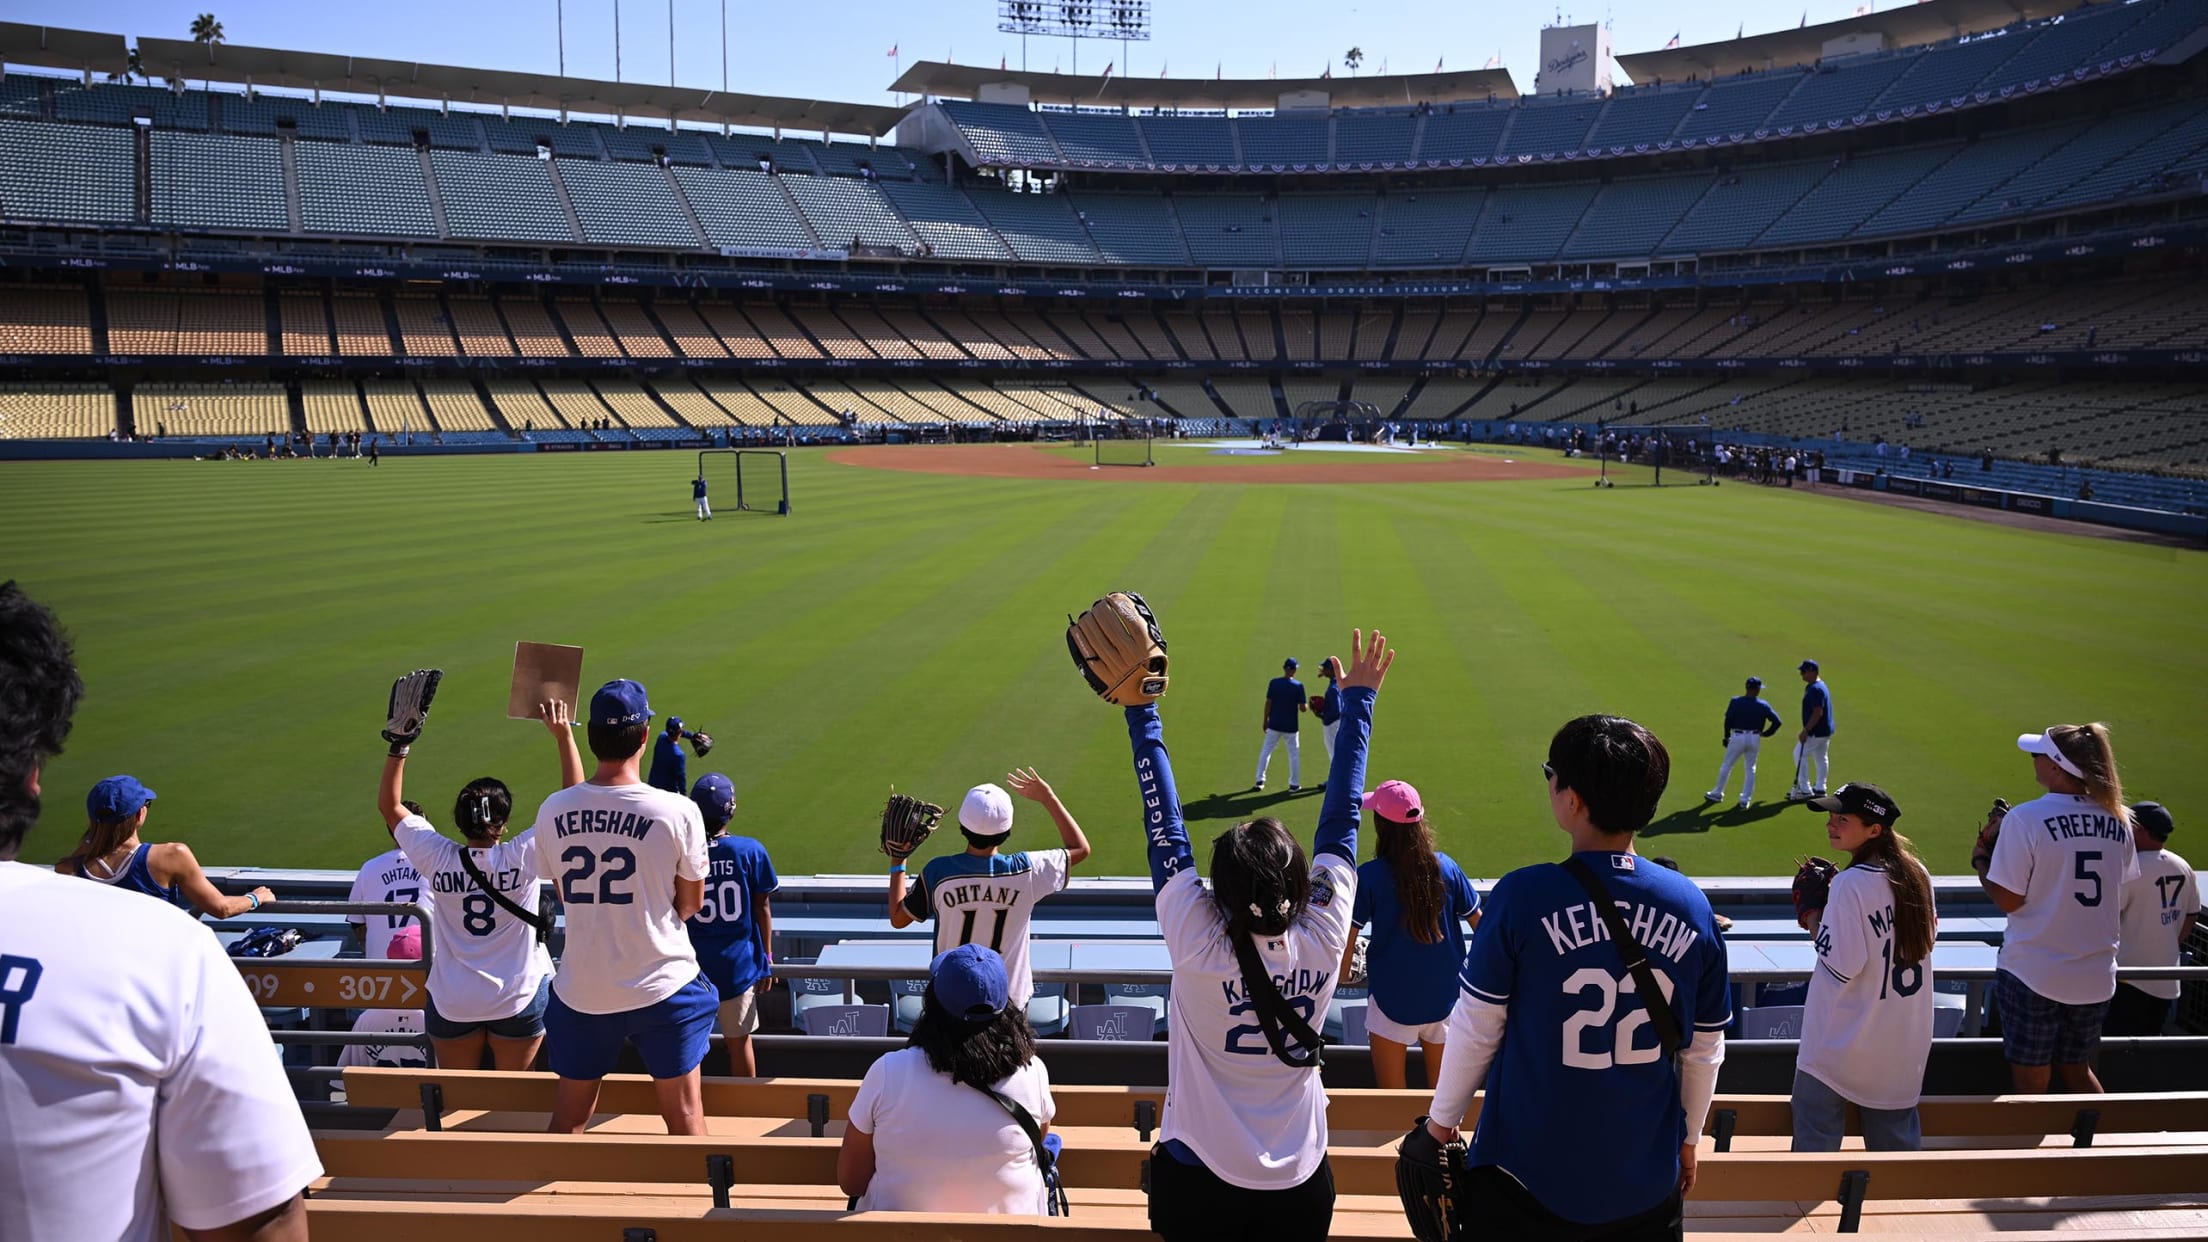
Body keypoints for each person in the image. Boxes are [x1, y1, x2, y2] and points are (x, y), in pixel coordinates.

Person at [0, 580, 321, 1242]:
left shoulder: (69, 868)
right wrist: (261, 896)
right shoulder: (168, 895)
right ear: (31, 776)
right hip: (178, 1031)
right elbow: (263, 1215)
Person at [1123, 626, 1392, 1241]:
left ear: (1219, 887)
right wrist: (1359, 704)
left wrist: (1143, 714)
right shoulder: (1325, 932)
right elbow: (1344, 816)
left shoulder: (1197, 938)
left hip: (1196, 1180)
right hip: (1298, 1187)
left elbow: (1164, 824)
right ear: (1300, 882)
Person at [1419, 714, 1730, 1240]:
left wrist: (1440, 1124)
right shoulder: (1693, 908)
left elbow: (1476, 1027)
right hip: (1645, 1180)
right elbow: (1704, 1049)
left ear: (1574, 799)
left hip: (1524, 1176)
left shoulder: (1521, 897)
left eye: (1552, 773)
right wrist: (1690, 1138)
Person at [530, 678, 715, 1136]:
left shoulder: (553, 809)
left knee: (570, 1118)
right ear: (645, 735)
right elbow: (691, 905)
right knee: (685, 1116)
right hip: (663, 985)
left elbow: (560, 884)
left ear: (591, 736)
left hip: (583, 990)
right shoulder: (677, 810)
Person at [377, 688, 577, 1072]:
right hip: (516, 998)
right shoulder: (522, 855)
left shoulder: (437, 856)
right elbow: (573, 799)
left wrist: (400, 744)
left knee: (460, 1097)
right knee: (513, 1101)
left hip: (453, 1001)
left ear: (458, 819)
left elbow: (390, 805)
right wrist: (564, 735)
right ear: (502, 822)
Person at [837, 944, 1057, 1214]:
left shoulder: (887, 1072)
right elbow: (1039, 1140)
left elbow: (851, 1181)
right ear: (1006, 1007)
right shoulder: (1033, 1072)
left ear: (932, 1004)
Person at [1978, 724, 2139, 1093]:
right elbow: (2121, 889)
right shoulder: (2121, 819)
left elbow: (2009, 900)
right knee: (2077, 1069)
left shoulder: (2026, 818)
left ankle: (2037, 1152)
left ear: (2055, 765)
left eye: (2038, 755)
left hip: (2035, 971)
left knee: (2032, 1078)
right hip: (2095, 974)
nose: (2033, 761)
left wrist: (1981, 860)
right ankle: (2098, 1147)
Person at [1793, 784, 1936, 1152]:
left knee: (1813, 1160)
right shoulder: (1918, 875)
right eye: (1831, 817)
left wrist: (1814, 915)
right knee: (1897, 1170)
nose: (1830, 824)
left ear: (1874, 829)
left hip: (1839, 1046)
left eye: (1842, 819)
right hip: (1902, 1048)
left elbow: (1842, 964)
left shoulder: (1850, 884)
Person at [889, 770, 1090, 1008]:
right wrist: (1048, 798)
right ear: (1007, 831)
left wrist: (898, 860)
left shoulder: (938, 872)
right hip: (1008, 1003)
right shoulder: (1027, 871)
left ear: (963, 826)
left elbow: (898, 918)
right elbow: (1080, 848)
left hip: (950, 999)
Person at [1343, 779, 1480, 1090]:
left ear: (1380, 825)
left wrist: (1341, 975)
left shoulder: (1368, 876)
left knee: (1392, 1101)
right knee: (1445, 1103)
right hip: (1446, 999)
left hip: (1391, 1001)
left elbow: (1346, 943)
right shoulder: (1447, 867)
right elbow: (1482, 927)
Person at [55, 776, 276, 917]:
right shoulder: (171, 856)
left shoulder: (67, 870)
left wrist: (90, 839)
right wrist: (256, 897)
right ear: (140, 814)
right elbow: (221, 908)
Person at [683, 772, 779, 1075]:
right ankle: (746, 1111)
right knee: (739, 1045)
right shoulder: (750, 851)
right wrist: (767, 957)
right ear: (731, 809)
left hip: (690, 968)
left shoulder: (680, 852)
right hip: (738, 966)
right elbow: (762, 906)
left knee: (686, 1049)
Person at [2109, 801, 2198, 1036]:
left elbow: (2106, 917)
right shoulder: (2182, 865)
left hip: (2128, 979)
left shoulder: (2131, 868)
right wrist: (2168, 943)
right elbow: (2191, 914)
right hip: (2167, 977)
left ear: (2139, 829)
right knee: (2148, 1046)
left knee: (2115, 1048)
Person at [339, 925, 431, 1070]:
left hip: (378, 1093)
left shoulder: (367, 1018)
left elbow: (346, 1082)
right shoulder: (442, 1017)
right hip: (431, 1092)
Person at [348, 800, 428, 961]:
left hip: (381, 968)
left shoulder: (369, 867)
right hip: (428, 967)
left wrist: (372, 947)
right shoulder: (435, 864)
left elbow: (356, 923)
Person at [1705, 676, 1783, 809]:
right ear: (1757, 689)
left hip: (1737, 736)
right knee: (1750, 768)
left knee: (1727, 765)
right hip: (1754, 738)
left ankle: (1717, 793)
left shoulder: (1736, 701)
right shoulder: (1763, 705)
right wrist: (1767, 733)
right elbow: (1777, 722)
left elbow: (1728, 720)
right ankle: (1745, 800)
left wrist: (1726, 736)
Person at [1254, 656, 1307, 792]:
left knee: (1266, 751)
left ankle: (1260, 780)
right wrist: (1308, 705)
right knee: (1293, 755)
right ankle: (1294, 784)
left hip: (1274, 724)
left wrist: (1265, 719)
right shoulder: (1298, 686)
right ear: (1294, 670)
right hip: (1291, 727)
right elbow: (1302, 708)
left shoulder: (1274, 683)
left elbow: (1268, 703)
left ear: (1284, 668)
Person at [1787, 659, 1835, 800]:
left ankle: (1805, 789)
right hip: (1825, 731)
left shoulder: (1815, 689)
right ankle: (1820, 787)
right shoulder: (1818, 685)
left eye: (1804, 671)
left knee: (1798, 754)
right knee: (1821, 757)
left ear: (1813, 672)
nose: (1801, 674)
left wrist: (1806, 730)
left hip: (1816, 732)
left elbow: (1817, 712)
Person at [649, 716, 692, 795]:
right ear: (680, 731)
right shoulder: (678, 754)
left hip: (653, 787)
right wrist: (684, 796)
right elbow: (681, 778)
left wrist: (691, 736)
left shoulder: (661, 738)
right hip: (669, 793)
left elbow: (670, 732)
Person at [1314, 656, 1344, 764]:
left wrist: (1321, 714)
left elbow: (1337, 710)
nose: (1323, 670)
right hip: (1340, 722)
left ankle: (1335, 780)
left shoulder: (1333, 689)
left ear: (1331, 670)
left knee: (1334, 753)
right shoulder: (1340, 683)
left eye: (1325, 668)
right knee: (1337, 752)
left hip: (1333, 724)